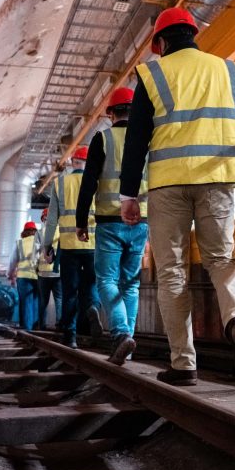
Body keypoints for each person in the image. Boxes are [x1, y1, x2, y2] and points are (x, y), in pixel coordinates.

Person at [119, 7, 235, 386]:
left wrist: (128, 195)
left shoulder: (152, 74)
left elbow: (136, 140)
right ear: (193, 34)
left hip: (168, 185)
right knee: (220, 260)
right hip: (218, 181)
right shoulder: (230, 70)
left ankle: (183, 364)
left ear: (161, 42)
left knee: (172, 273)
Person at [76, 87, 149, 365]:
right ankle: (126, 344)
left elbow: (89, 183)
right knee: (130, 285)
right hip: (141, 221)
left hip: (109, 222)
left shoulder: (103, 139)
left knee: (106, 280)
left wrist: (81, 220)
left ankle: (120, 334)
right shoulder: (148, 139)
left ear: (111, 113)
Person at [42, 146, 102, 348]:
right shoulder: (97, 182)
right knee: (91, 285)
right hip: (93, 244)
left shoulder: (59, 183)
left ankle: (71, 336)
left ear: (73, 162)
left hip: (68, 247)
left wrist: (47, 246)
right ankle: (92, 308)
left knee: (70, 292)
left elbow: (51, 221)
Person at [9, 221, 40, 331]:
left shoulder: (19, 243)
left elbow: (12, 261)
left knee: (26, 302)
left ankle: (28, 329)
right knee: (36, 301)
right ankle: (36, 327)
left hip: (23, 277)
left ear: (24, 232)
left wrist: (10, 274)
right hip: (38, 276)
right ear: (35, 231)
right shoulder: (39, 243)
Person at [38, 207, 62, 329]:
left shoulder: (40, 232)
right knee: (59, 299)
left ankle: (42, 324)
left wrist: (35, 268)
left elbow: (34, 254)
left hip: (43, 273)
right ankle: (59, 323)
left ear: (43, 219)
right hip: (58, 272)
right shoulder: (61, 231)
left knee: (43, 300)